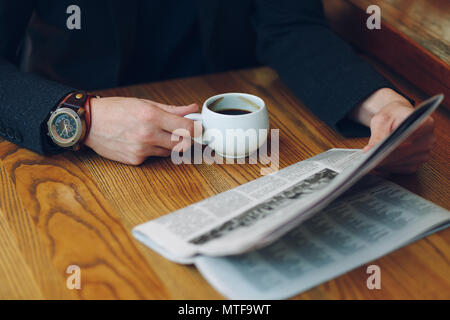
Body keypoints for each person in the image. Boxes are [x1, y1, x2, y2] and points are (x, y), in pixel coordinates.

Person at [0, 0, 434, 172]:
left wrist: (380, 105)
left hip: (228, 151)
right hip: (75, 150)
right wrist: (82, 118)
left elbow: (288, 24)